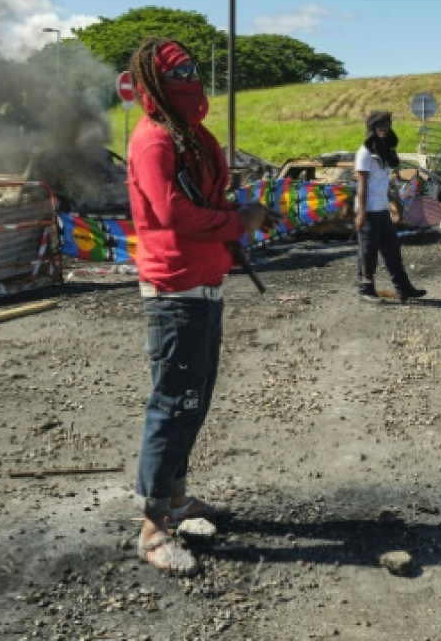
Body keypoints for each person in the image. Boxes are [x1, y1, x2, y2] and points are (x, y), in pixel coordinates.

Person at [126, 37, 270, 577]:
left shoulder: (190, 136)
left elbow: (203, 201)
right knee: (171, 405)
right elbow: (172, 213)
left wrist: (243, 212)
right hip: (175, 292)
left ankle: (178, 498)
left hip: (205, 286)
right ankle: (153, 526)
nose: (191, 76)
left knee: (194, 400)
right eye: (178, 70)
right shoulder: (153, 141)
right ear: (156, 82)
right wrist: (237, 223)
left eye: (192, 66)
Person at [354, 110, 427, 303]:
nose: (383, 130)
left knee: (392, 250)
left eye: (386, 125)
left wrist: (395, 204)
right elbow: (362, 185)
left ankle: (403, 288)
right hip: (368, 211)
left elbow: (385, 183)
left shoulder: (384, 152)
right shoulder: (364, 153)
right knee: (367, 252)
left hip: (382, 210)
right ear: (372, 128)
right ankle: (365, 290)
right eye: (379, 126)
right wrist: (361, 214)